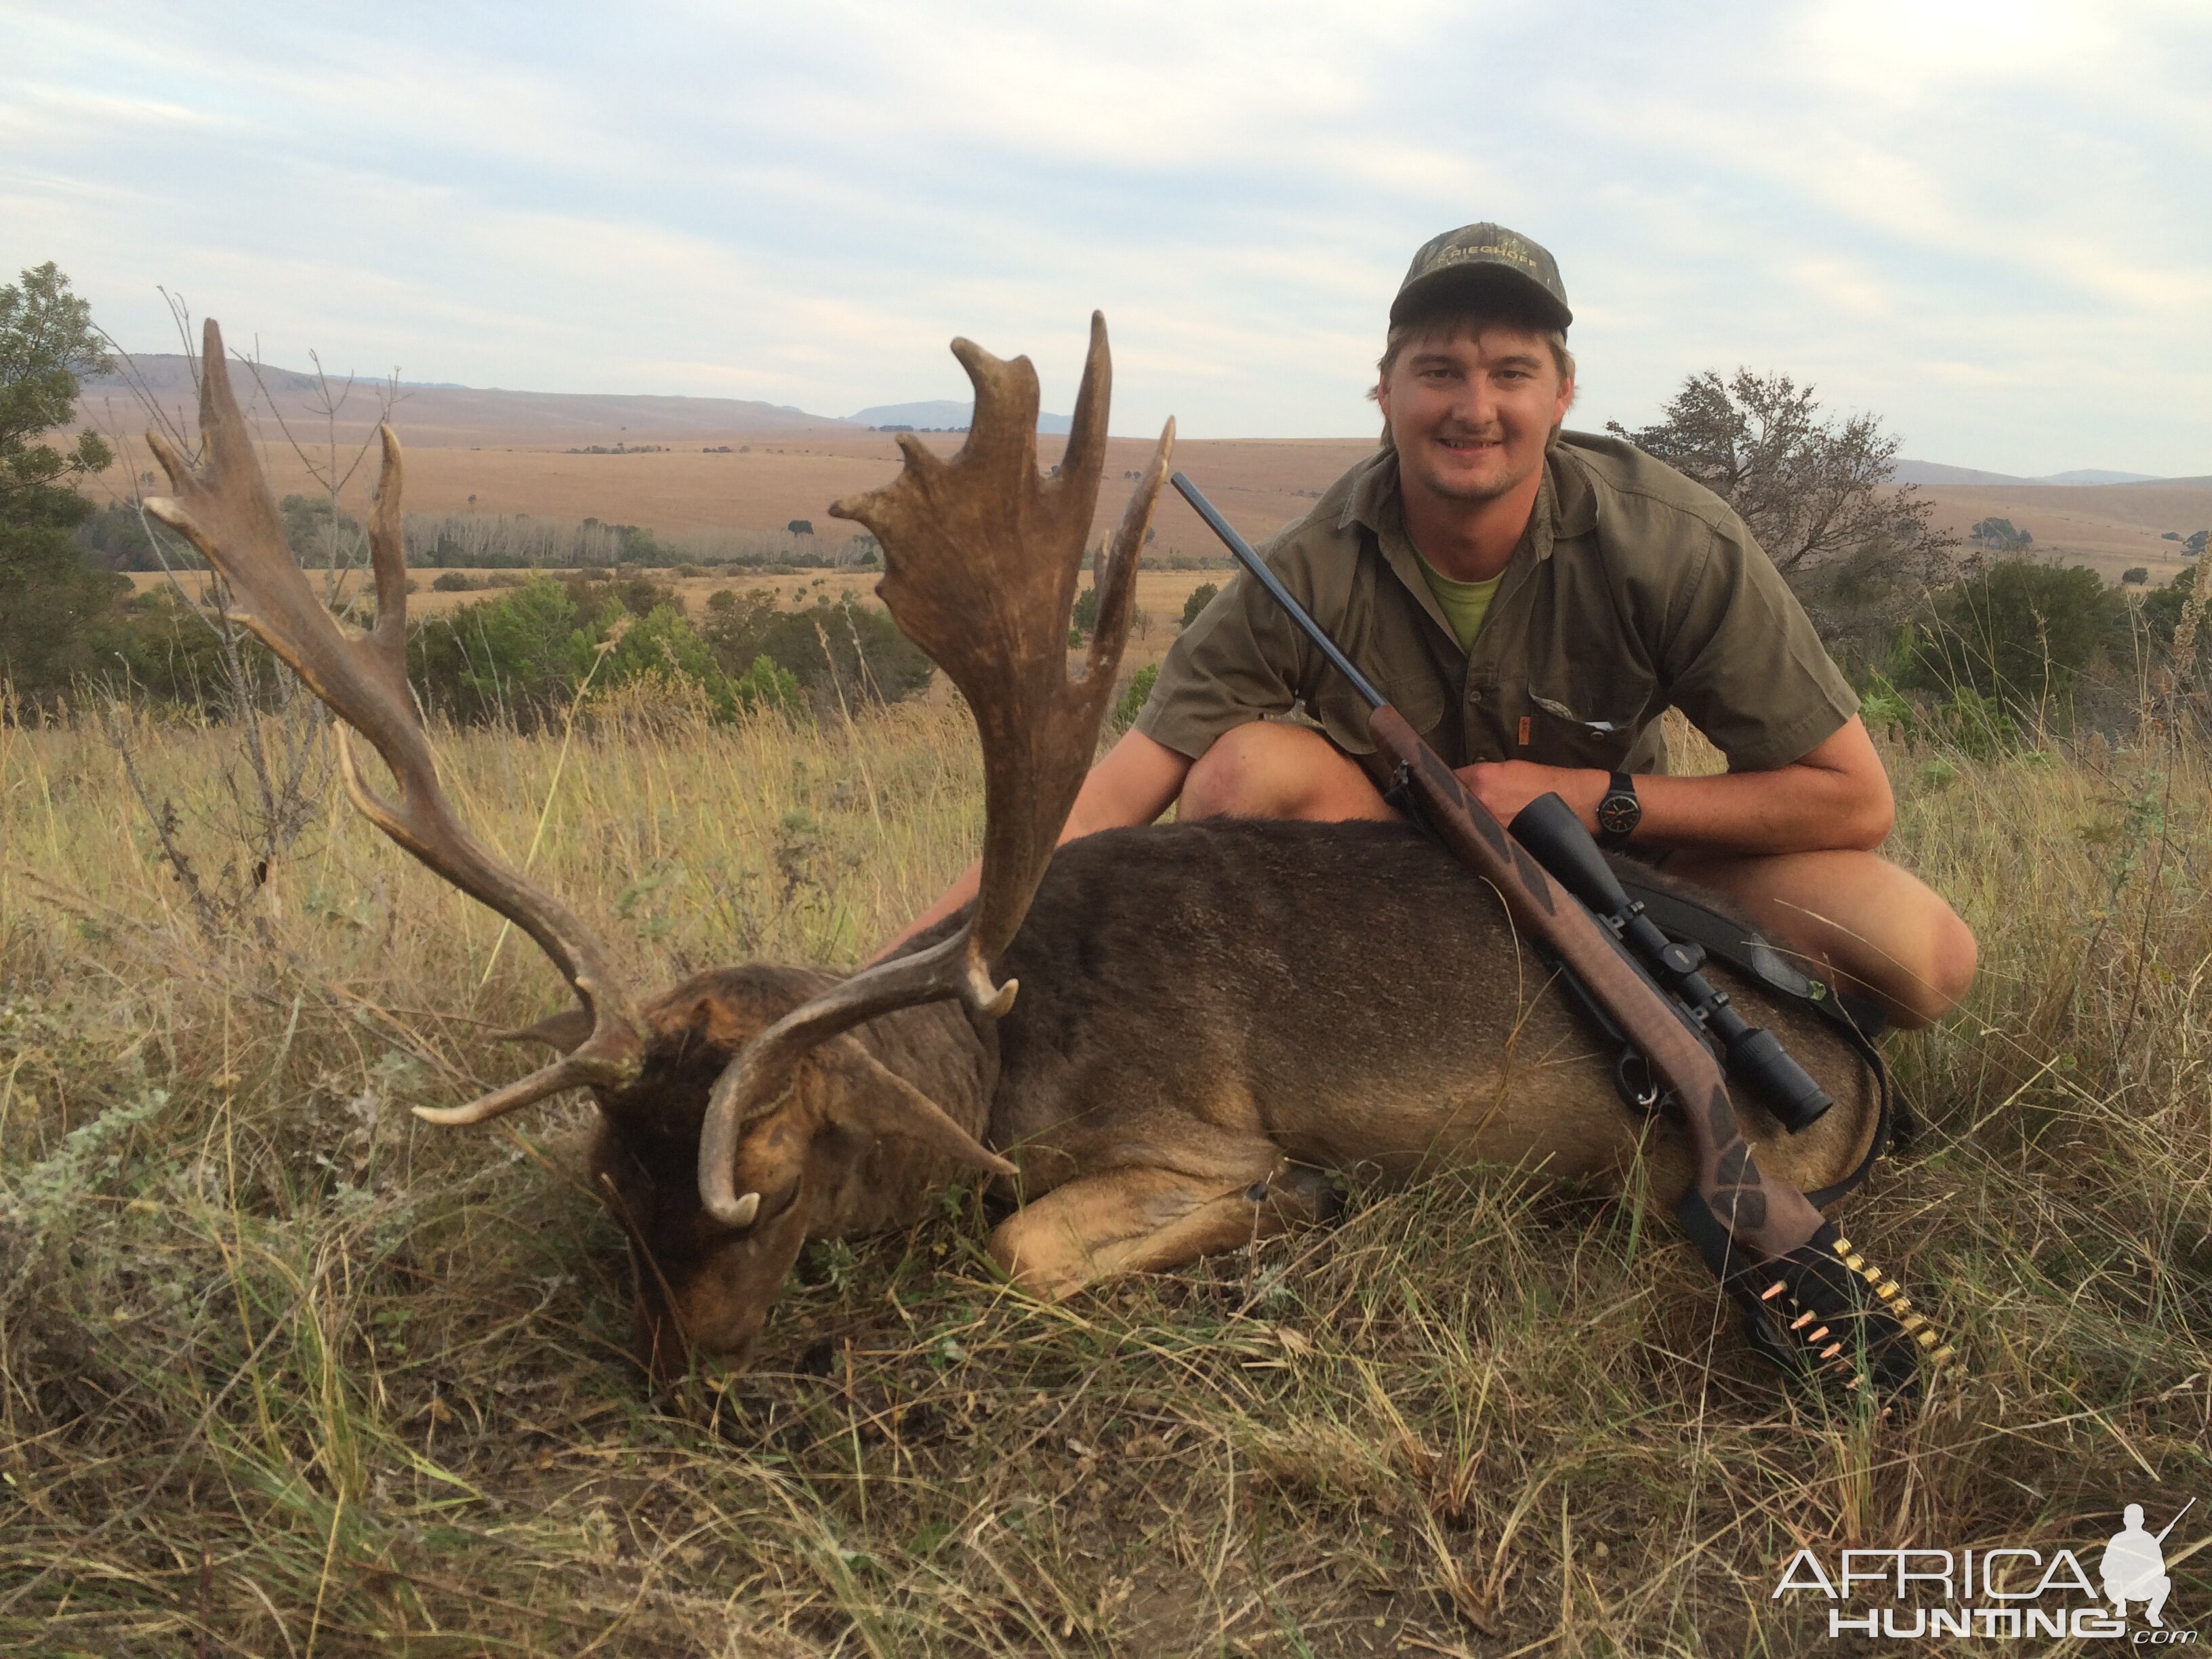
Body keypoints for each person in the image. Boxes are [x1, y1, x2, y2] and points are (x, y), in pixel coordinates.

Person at [886, 222, 1976, 1028]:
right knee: (1239, 773)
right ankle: (1326, 1057)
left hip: (1627, 874)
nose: (1474, 406)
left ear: (1562, 393)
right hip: (1397, 899)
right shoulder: (1305, 564)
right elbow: (1108, 804)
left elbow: (1855, 800)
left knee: (1924, 958)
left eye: (1512, 372)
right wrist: (881, 981)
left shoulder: (1671, 539)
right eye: (1439, 372)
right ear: (1386, 392)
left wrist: (1599, 801)